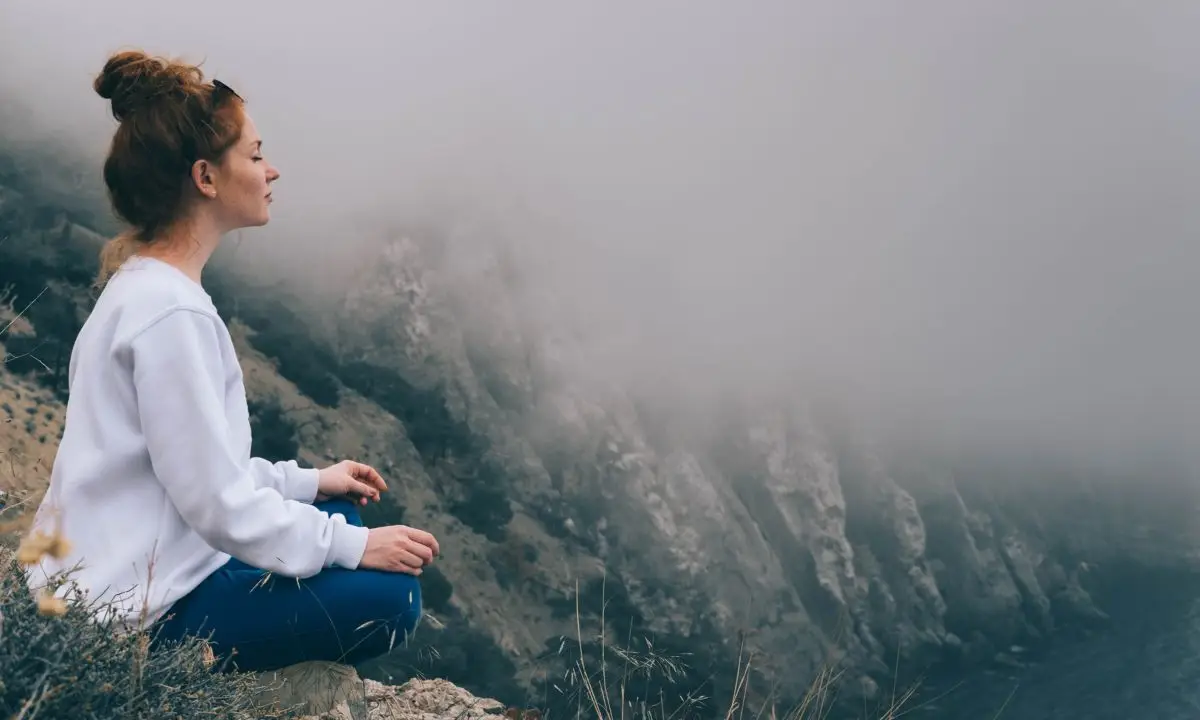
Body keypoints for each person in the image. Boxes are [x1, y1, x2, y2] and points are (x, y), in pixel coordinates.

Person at [23, 49, 441, 673]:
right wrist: (351, 546)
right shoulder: (172, 316)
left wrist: (308, 481)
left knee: (335, 512)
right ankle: (172, 675)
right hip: (127, 620)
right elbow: (214, 502)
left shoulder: (146, 288)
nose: (271, 170)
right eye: (253, 154)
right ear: (206, 178)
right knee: (392, 598)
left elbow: (187, 469)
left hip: (114, 579)